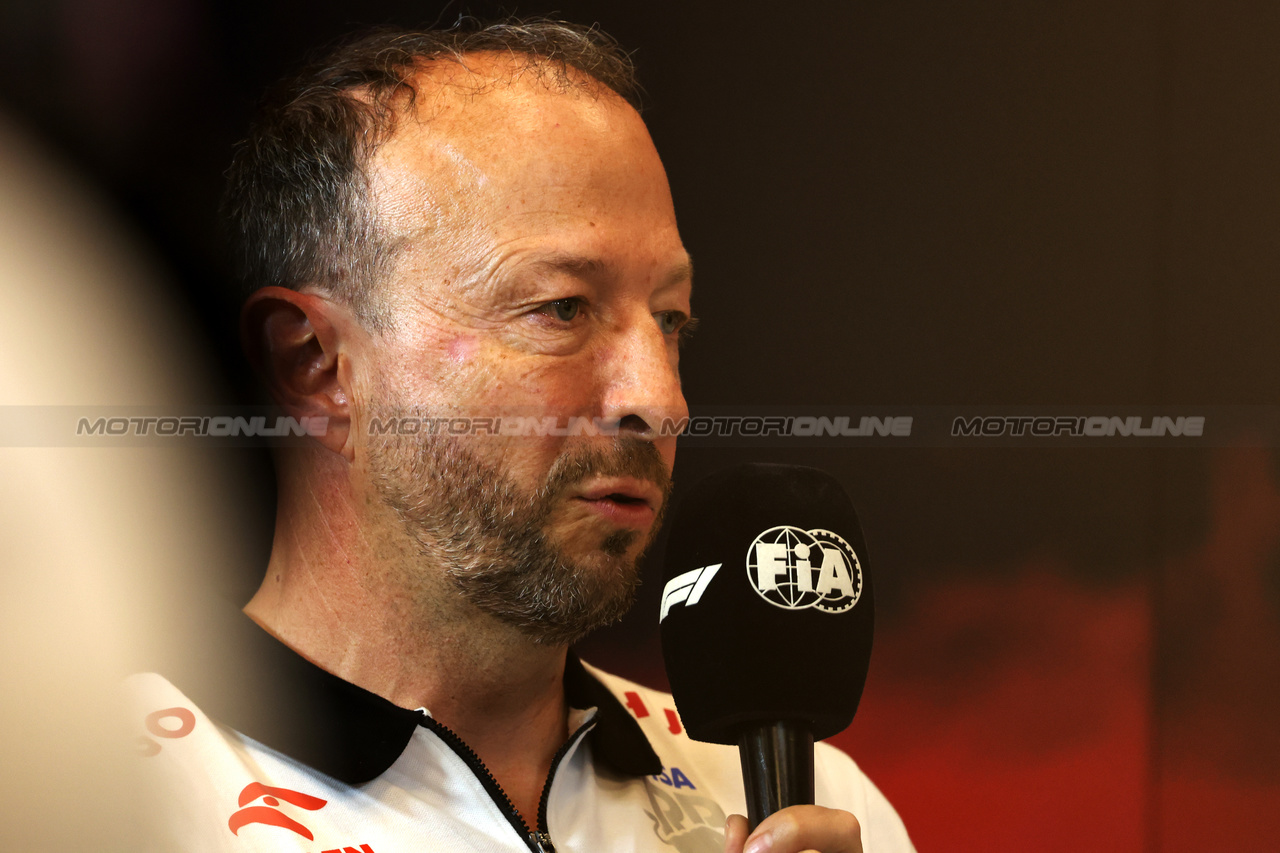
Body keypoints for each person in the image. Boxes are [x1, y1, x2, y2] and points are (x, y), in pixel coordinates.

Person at [130, 20, 916, 853]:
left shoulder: (814, 806)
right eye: (561, 309)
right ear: (316, 365)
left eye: (671, 319)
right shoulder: (90, 787)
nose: (663, 399)